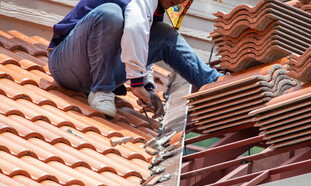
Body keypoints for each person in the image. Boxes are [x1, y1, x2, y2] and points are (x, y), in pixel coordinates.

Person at [48, 0, 222, 118]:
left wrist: (147, 88)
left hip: (96, 73)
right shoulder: (141, 4)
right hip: (66, 65)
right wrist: (137, 84)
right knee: (110, 13)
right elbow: (135, 26)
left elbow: (141, 40)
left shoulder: (153, 9)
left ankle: (215, 83)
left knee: (165, 35)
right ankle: (101, 89)